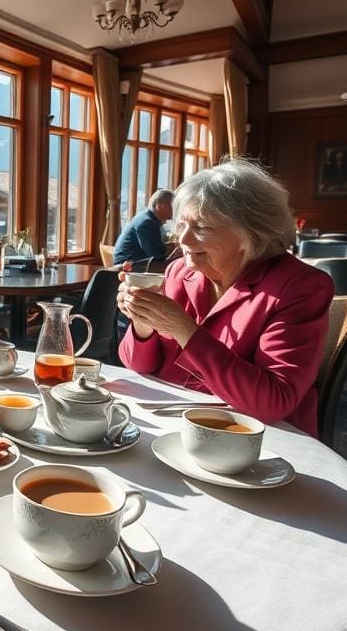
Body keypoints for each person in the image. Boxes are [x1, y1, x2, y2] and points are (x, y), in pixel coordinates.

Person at [117, 159, 333, 436]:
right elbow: (136, 364)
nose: (183, 240)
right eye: (180, 225)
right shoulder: (178, 272)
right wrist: (143, 322)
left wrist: (182, 329)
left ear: (252, 231)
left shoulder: (299, 287)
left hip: (260, 440)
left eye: (202, 227)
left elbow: (273, 402)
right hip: (172, 426)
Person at [113, 189, 174, 267]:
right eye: (172, 208)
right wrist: (170, 250)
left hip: (134, 262)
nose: (173, 214)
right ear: (160, 206)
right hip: (128, 266)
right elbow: (155, 254)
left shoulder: (149, 218)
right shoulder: (146, 222)